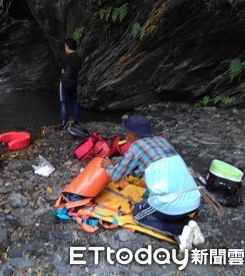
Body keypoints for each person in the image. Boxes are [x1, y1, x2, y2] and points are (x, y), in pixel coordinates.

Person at [100, 115, 205, 252]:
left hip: (175, 202)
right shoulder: (162, 141)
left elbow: (115, 176)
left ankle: (180, 231)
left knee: (139, 214)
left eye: (128, 132)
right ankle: (190, 224)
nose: (126, 134)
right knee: (166, 208)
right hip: (194, 199)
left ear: (135, 134)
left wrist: (108, 166)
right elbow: (144, 168)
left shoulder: (136, 147)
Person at [59, 38, 82, 129]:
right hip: (73, 82)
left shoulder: (67, 58)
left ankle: (63, 123)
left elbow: (62, 70)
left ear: (67, 47)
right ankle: (76, 121)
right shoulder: (79, 58)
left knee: (63, 103)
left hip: (65, 82)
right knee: (74, 102)